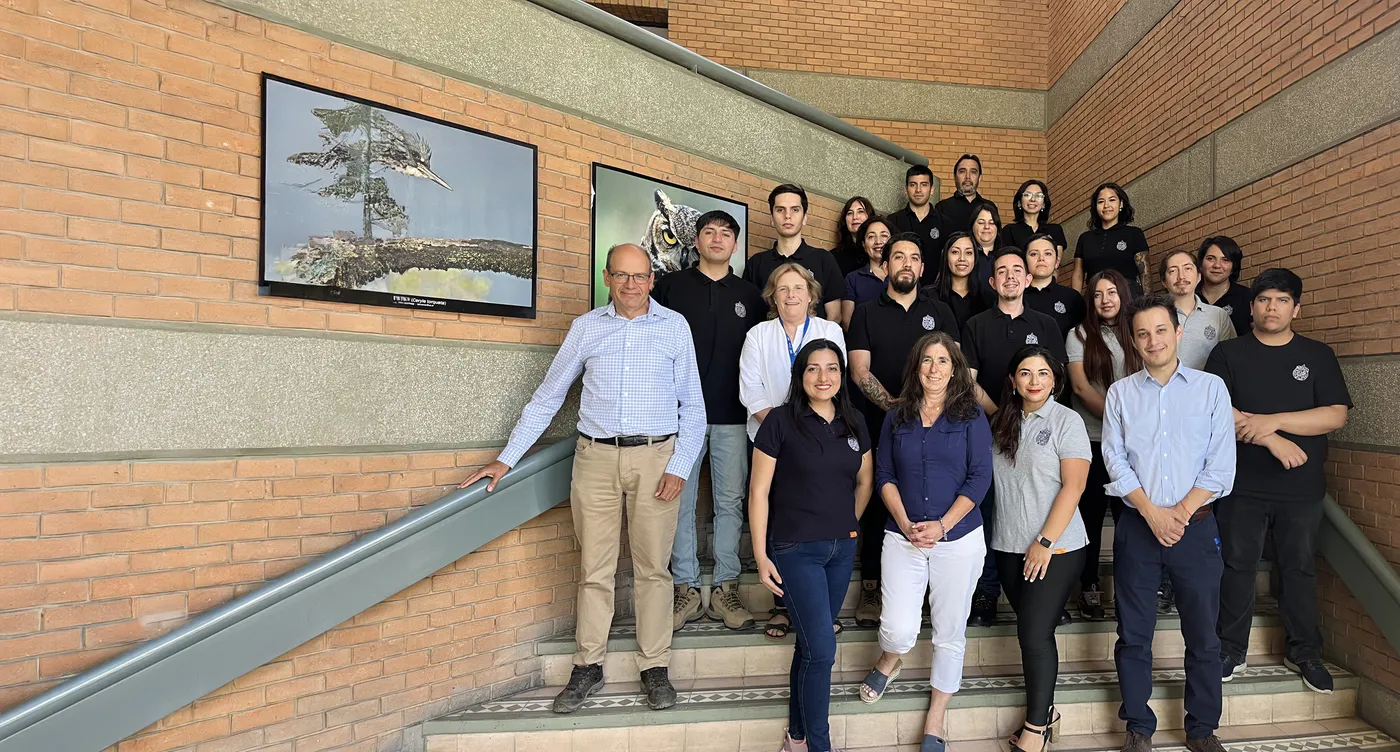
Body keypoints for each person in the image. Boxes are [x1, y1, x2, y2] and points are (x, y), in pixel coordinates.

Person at [459, 244, 705, 714]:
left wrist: (679, 466)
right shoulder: (586, 328)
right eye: (622, 276)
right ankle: (588, 665)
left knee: (654, 569)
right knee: (595, 569)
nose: (632, 284)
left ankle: (654, 666)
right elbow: (548, 396)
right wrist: (506, 459)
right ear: (608, 278)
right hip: (594, 460)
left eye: (640, 276)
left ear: (652, 279)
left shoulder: (675, 327)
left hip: (657, 458)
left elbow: (693, 408)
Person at [1207, 268, 1351, 693]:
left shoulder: (1319, 355)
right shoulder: (1227, 354)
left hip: (1301, 488)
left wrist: (1273, 422)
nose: (1272, 307)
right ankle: (1230, 649)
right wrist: (1274, 441)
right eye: (1265, 299)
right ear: (1251, 307)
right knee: (1237, 567)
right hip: (1241, 484)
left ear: (1297, 309)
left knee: (1300, 569)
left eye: (1282, 300)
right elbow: (1218, 413)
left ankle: (1304, 650)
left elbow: (1334, 414)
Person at [1102, 293, 1235, 752]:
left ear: (1178, 333)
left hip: (1195, 528)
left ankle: (1202, 729)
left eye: (1161, 330)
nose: (1152, 340)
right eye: (1142, 333)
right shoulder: (1120, 394)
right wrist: (1153, 513)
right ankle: (1138, 726)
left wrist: (1176, 515)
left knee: (1202, 635)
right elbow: (1115, 461)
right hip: (1139, 527)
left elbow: (1220, 468)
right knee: (1133, 634)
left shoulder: (1210, 389)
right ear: (1133, 342)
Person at [858, 332, 992, 752]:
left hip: (959, 540)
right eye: (927, 360)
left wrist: (943, 525)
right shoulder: (896, 417)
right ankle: (890, 658)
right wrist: (905, 521)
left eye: (943, 361)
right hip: (903, 536)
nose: (934, 369)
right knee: (898, 628)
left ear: (955, 369)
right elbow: (884, 475)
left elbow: (980, 478)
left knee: (950, 632)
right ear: (916, 367)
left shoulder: (971, 415)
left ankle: (935, 720)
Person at [750, 339, 873, 752]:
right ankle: (820, 746)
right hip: (795, 549)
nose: (824, 377)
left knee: (808, 644)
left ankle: (796, 737)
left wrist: (846, 522)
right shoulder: (779, 423)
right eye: (813, 369)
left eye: (833, 368)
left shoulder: (854, 421)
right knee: (822, 650)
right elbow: (758, 492)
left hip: (841, 550)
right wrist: (761, 553)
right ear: (800, 376)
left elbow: (865, 480)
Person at [652, 211, 766, 632]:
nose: (717, 239)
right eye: (709, 233)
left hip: (733, 416)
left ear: (736, 245)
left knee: (730, 501)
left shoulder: (752, 296)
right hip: (679, 417)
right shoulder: (670, 287)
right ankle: (684, 586)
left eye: (726, 233)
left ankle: (724, 586)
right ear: (696, 241)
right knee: (678, 501)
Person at [848, 234, 960, 627]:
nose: (907, 264)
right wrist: (898, 409)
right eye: (899, 257)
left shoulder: (940, 310)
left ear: (923, 268)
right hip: (884, 424)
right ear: (886, 264)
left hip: (939, 427)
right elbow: (860, 370)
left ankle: (929, 587)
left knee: (931, 496)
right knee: (880, 501)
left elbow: (953, 366)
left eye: (914, 258)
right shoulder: (865, 311)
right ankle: (872, 585)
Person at [989, 346, 1092, 752]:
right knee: (1034, 630)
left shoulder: (1067, 421)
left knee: (1033, 632)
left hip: (1057, 547)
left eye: (1043, 373)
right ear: (1013, 380)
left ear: (1055, 380)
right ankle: (1047, 712)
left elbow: (1075, 485)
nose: (1034, 380)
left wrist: (1045, 541)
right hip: (1009, 546)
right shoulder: (1001, 422)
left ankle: (1036, 730)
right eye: (1026, 373)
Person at [740, 262, 846, 640]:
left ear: (811, 293)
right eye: (782, 289)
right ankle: (783, 607)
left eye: (798, 288)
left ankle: (819, 607)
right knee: (778, 518)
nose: (791, 296)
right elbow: (750, 390)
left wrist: (806, 431)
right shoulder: (758, 334)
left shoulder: (829, 331)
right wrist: (787, 429)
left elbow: (836, 379)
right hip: (773, 440)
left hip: (822, 442)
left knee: (814, 515)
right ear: (773, 296)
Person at [962, 247, 1067, 627]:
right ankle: (987, 593)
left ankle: (1048, 594)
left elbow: (1057, 379)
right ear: (992, 282)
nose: (1009, 276)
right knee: (990, 513)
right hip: (989, 434)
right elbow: (968, 382)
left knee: (1041, 508)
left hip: (1041, 436)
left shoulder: (1047, 323)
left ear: (1027, 279)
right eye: (1001, 271)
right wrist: (1005, 417)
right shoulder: (975, 325)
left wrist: (1030, 421)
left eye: (1016, 270)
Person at [1065, 270, 1142, 620]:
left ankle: (1132, 586)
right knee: (1091, 516)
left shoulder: (1139, 332)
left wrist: (1131, 430)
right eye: (1098, 294)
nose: (1106, 299)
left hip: (1137, 445)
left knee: (1131, 518)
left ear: (1123, 295)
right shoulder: (1078, 335)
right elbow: (1080, 388)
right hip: (1093, 441)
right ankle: (1090, 586)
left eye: (1112, 292)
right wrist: (1119, 423)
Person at [742, 184, 845, 321]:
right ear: (772, 218)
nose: (787, 216)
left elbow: (835, 316)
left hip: (815, 342)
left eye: (795, 210)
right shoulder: (756, 263)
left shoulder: (824, 259)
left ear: (805, 218)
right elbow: (749, 315)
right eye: (780, 210)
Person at [1162, 249, 1236, 370]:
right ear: (1163, 282)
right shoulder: (1155, 316)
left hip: (1207, 387)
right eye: (1173, 271)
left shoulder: (1219, 315)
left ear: (1198, 276)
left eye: (1188, 268)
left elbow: (1231, 358)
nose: (1181, 276)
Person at [1072, 183, 1148, 296]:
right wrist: (1075, 301)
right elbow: (1078, 275)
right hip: (1095, 297)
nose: (1106, 205)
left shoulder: (1134, 233)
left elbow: (1144, 272)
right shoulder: (1085, 238)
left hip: (1128, 297)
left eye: (1112, 200)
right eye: (1101, 201)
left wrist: (1148, 302)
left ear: (1121, 204)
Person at [928, 231, 994, 333]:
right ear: (945, 256)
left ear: (975, 258)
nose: (962, 258)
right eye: (955, 252)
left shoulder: (988, 298)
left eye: (968, 253)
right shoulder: (929, 296)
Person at [1024, 233, 1085, 342]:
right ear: (1024, 261)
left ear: (1057, 262)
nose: (1041, 259)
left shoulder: (1072, 297)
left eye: (1048, 254)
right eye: (1033, 254)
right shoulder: (1015, 297)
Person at [888, 165, 943, 282]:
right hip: (901, 286)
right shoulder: (892, 221)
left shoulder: (945, 223)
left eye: (924, 185)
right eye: (913, 185)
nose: (918, 190)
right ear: (906, 189)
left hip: (935, 292)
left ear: (932, 189)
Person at [933, 154, 998, 250]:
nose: (967, 177)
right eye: (962, 171)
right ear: (955, 177)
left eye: (973, 172)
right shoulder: (942, 207)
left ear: (979, 178)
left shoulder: (989, 207)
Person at [841, 216, 893, 328]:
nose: (878, 241)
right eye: (871, 237)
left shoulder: (903, 277)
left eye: (884, 235)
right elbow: (847, 322)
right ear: (864, 245)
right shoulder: (852, 279)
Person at [1197, 236, 1252, 336]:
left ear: (1233, 267)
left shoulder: (1247, 297)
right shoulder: (1189, 297)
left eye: (1225, 260)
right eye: (1210, 258)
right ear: (1200, 264)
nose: (1217, 265)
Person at [1000, 180, 1067, 255]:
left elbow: (1056, 261)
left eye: (1038, 196)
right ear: (1019, 202)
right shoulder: (1009, 230)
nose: (1033, 199)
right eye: (1027, 195)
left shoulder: (1055, 230)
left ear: (1043, 204)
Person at [833, 196, 878, 277]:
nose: (855, 217)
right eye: (850, 213)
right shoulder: (834, 257)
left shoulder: (879, 252)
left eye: (860, 211)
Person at [969, 200, 1002, 290]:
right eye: (981, 222)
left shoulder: (1005, 257)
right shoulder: (965, 256)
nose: (986, 227)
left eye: (991, 223)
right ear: (972, 227)